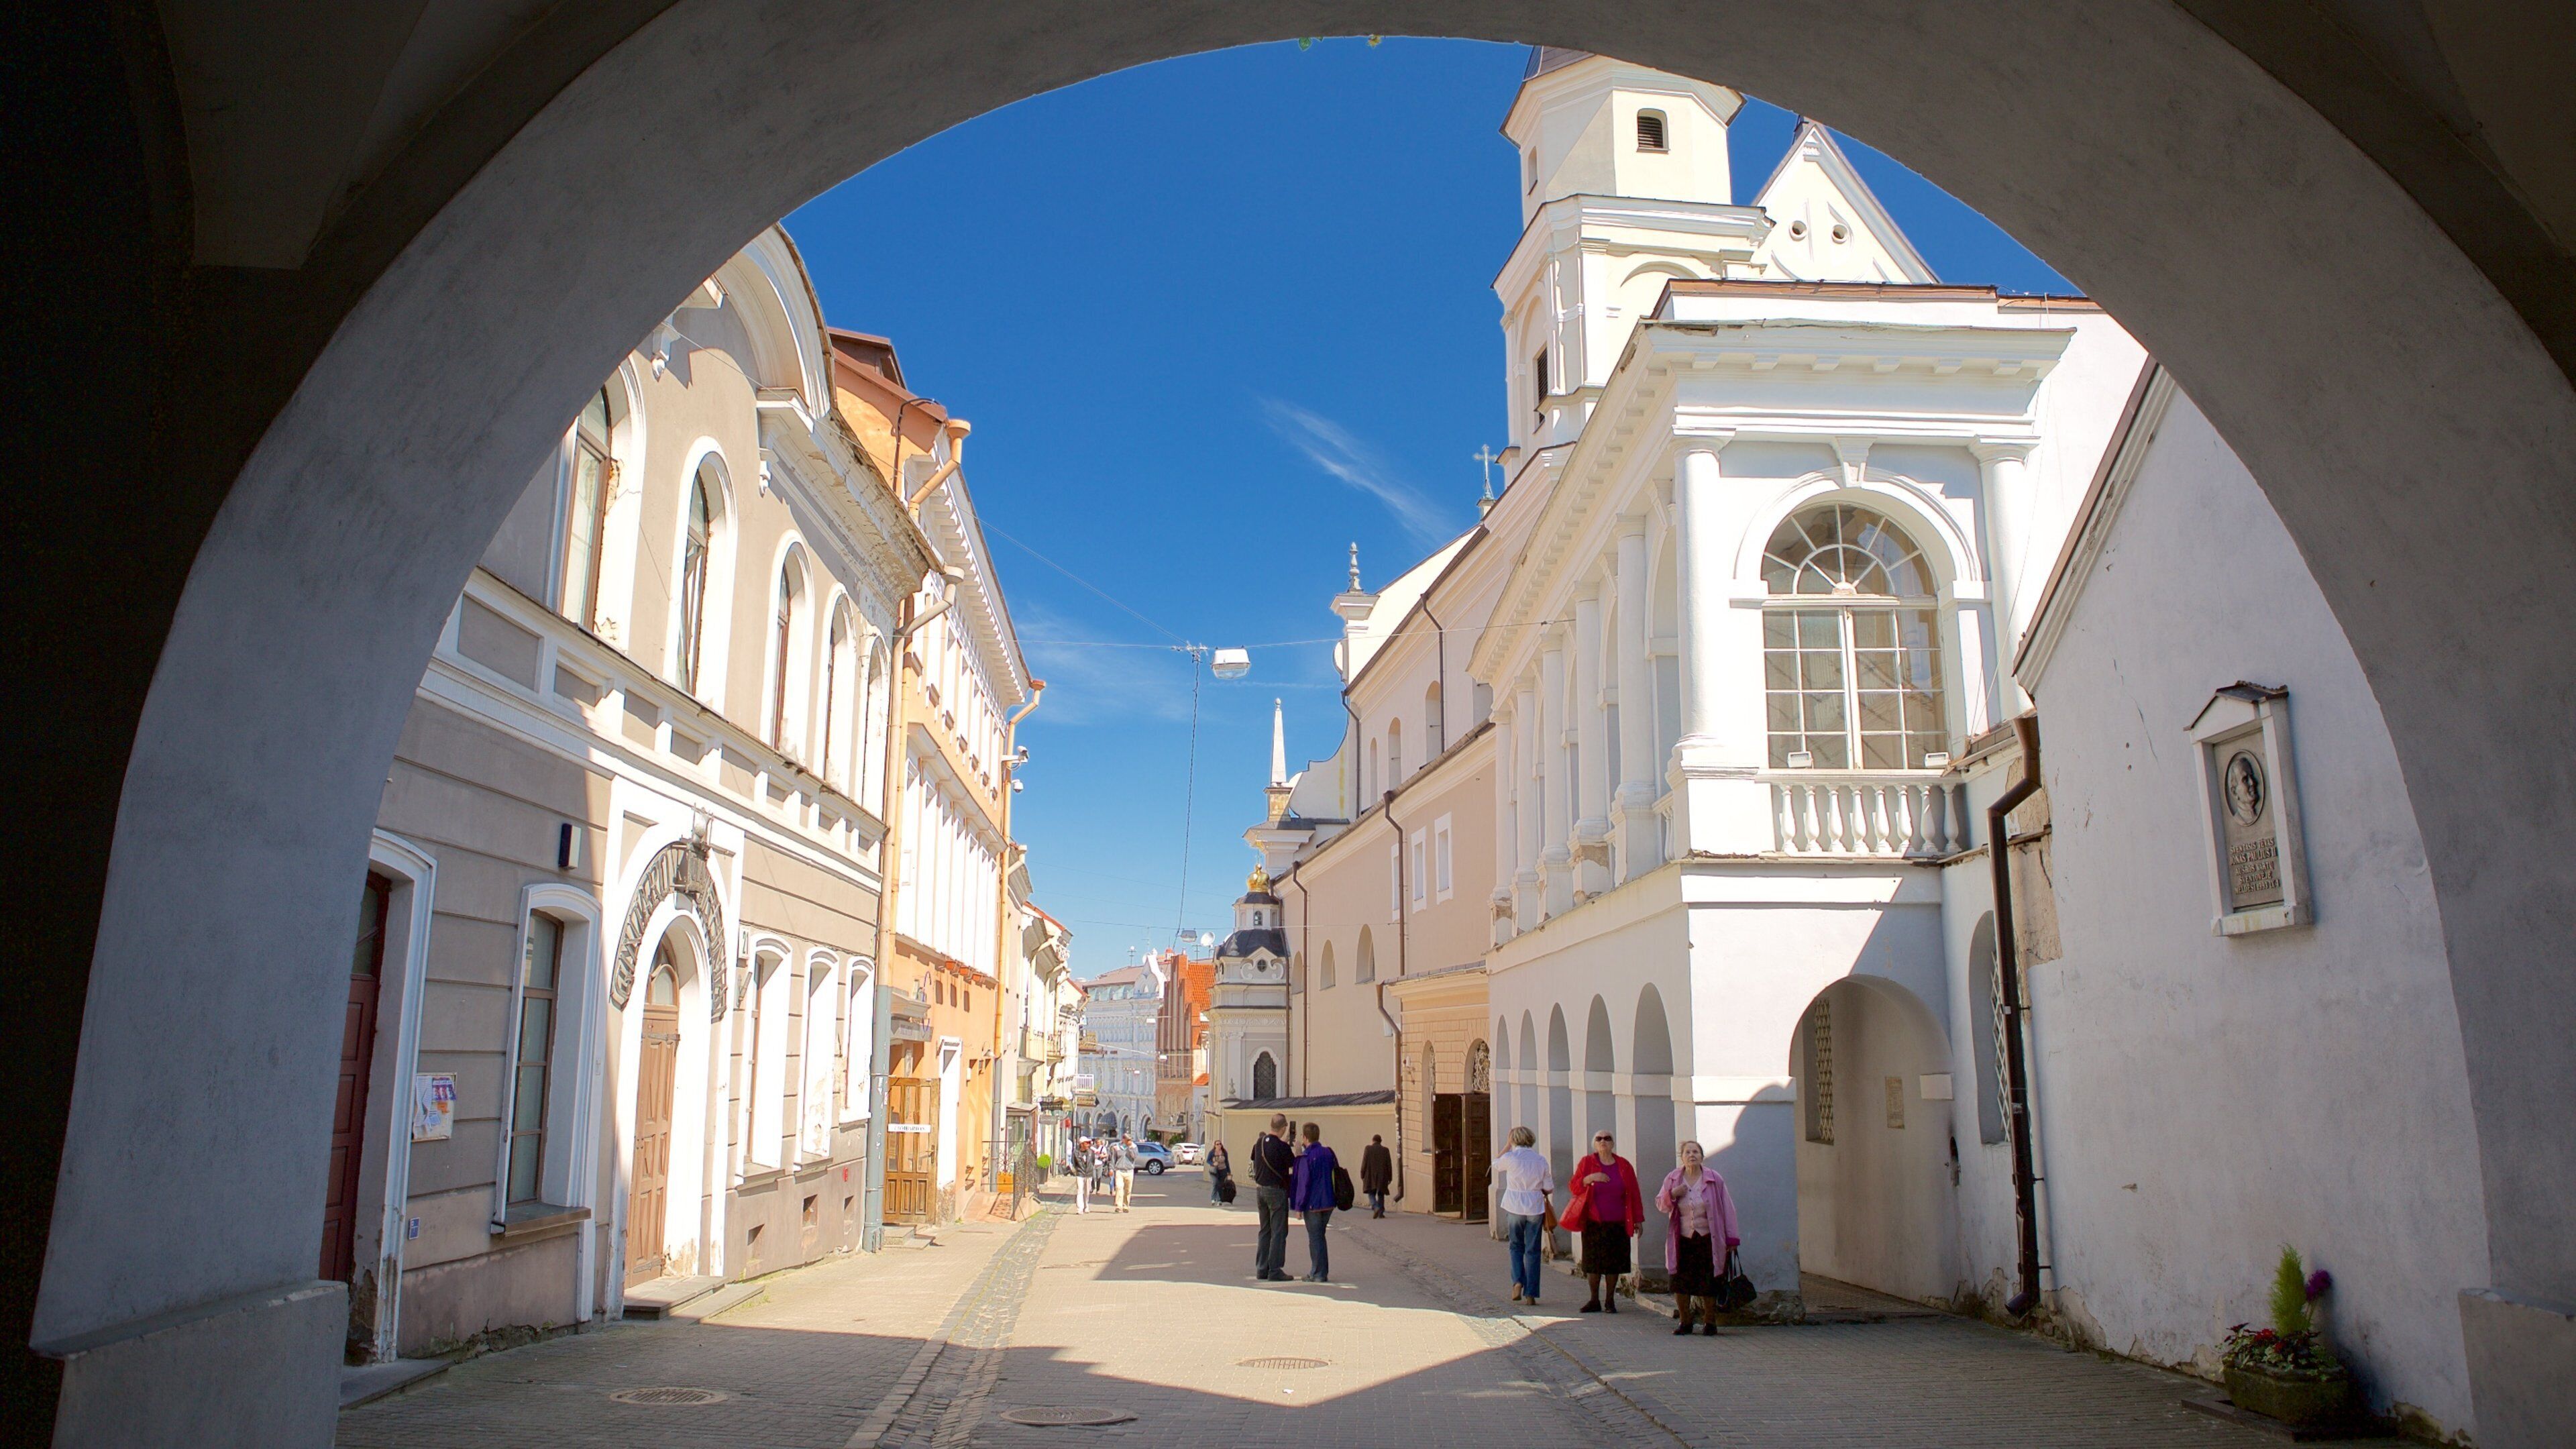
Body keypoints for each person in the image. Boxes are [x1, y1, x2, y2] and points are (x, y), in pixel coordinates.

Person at [1655, 1139, 1742, 1336]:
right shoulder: (1673, 1179)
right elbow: (1661, 1204)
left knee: (1709, 1282)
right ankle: (1685, 1322)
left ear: (1702, 1157)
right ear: (1682, 1157)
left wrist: (1732, 1239)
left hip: (1708, 1239)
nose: (1692, 1155)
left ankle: (1710, 1322)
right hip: (1682, 1239)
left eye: (1696, 1152)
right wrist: (1672, 1194)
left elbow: (1728, 1208)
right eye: (1687, 1152)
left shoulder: (1713, 1179)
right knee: (1680, 1281)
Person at [1565, 1130, 1644, 1313]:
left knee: (1613, 1263)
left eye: (1607, 1139)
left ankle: (1610, 1300)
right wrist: (1590, 1178)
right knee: (1593, 1262)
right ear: (1594, 1143)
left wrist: (1638, 1219)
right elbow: (1574, 1187)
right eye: (1599, 1139)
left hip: (1618, 1221)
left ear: (1613, 1143)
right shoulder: (1587, 1162)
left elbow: (1634, 1193)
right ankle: (1594, 1299)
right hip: (1594, 1220)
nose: (1603, 1142)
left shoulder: (1624, 1165)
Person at [1493, 1124, 1554, 1305]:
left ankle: (1518, 1281)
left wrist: (1506, 1146)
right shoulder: (1540, 1160)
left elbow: (1495, 1164)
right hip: (1535, 1207)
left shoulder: (1511, 1158)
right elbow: (1549, 1188)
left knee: (1516, 1246)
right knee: (1533, 1250)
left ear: (1514, 1140)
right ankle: (1531, 1293)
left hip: (1514, 1206)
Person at [1289, 1122, 1340, 1282]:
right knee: (1320, 1236)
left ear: (1305, 1138)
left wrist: (1298, 1207)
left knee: (1315, 1238)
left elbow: (1303, 1183)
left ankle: (1318, 1272)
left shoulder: (1306, 1157)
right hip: (1329, 1201)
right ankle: (1321, 1271)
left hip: (1313, 1204)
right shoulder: (1328, 1152)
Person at [1249, 1114, 1297, 1281]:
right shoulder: (1282, 1146)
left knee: (1265, 1230)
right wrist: (1296, 1150)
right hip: (1276, 1191)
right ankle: (1275, 1270)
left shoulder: (1259, 1143)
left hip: (1260, 1190)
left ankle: (1261, 1268)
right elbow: (1293, 1164)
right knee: (1278, 1231)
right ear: (1284, 1128)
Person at [1358, 1134, 1393, 1218]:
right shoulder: (1385, 1150)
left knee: (1371, 1193)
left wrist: (1362, 1174)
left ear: (1373, 1141)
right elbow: (1389, 1165)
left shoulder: (1368, 1149)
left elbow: (1364, 1162)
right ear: (1380, 1141)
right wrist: (1390, 1177)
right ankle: (1381, 1212)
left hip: (1370, 1175)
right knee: (1381, 1193)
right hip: (1383, 1176)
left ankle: (1375, 1207)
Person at [1112, 1135, 1139, 1213]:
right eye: (1127, 1140)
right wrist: (1112, 1168)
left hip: (1129, 1171)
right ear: (1123, 1139)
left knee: (1128, 1190)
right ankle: (1118, 1206)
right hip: (1119, 1170)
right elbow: (1114, 1158)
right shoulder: (1117, 1147)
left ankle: (1126, 1205)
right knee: (1119, 1188)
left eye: (1129, 1140)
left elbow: (1134, 1156)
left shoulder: (1134, 1146)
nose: (1128, 1141)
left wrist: (1130, 1148)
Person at [1206, 1140, 1233, 1205]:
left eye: (1220, 1144)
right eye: (1217, 1144)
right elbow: (1208, 1160)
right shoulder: (1212, 1152)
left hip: (1223, 1170)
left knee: (1221, 1185)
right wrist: (1213, 1163)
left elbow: (1227, 1162)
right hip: (1214, 1171)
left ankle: (1220, 1200)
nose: (1219, 1145)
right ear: (1215, 1146)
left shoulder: (1224, 1152)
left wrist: (1229, 1172)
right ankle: (1213, 1198)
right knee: (1215, 1183)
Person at [1072, 1137, 1092, 1214]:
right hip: (1080, 1173)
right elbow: (1074, 1163)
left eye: (1088, 1143)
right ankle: (1080, 1208)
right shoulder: (1076, 1153)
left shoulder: (1091, 1152)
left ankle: (1086, 1206)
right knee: (1080, 1191)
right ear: (1082, 1144)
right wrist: (1077, 1170)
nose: (1088, 1144)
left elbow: (1092, 1162)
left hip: (1088, 1174)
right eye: (1086, 1143)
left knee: (1087, 1191)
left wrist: (1090, 1169)